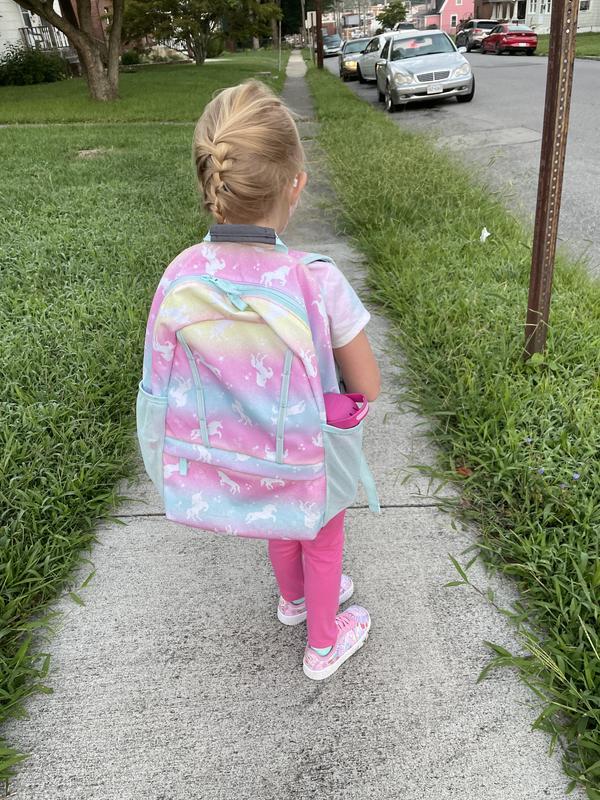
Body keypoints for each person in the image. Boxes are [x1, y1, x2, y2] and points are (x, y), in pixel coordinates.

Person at [186, 80, 380, 680]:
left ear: (213, 187)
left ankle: (292, 601)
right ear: (296, 184)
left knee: (279, 523)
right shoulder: (316, 279)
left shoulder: (194, 274)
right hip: (310, 451)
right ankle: (323, 644)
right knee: (322, 539)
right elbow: (367, 385)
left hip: (247, 449)